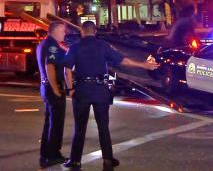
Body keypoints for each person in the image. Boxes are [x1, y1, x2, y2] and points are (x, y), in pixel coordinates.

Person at [63, 21, 159, 169]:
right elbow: (123, 60)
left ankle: (75, 160)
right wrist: (143, 65)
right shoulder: (103, 46)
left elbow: (67, 69)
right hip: (100, 89)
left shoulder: (75, 47)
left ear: (82, 31)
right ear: (95, 31)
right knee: (103, 127)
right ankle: (108, 159)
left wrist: (70, 89)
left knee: (80, 127)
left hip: (82, 89)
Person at [36, 21, 68, 168]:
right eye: (62, 31)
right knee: (56, 123)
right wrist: (56, 88)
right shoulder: (53, 46)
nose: (64, 33)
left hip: (45, 87)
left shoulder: (43, 44)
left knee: (49, 123)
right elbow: (50, 66)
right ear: (54, 31)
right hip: (53, 88)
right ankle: (53, 155)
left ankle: (46, 154)